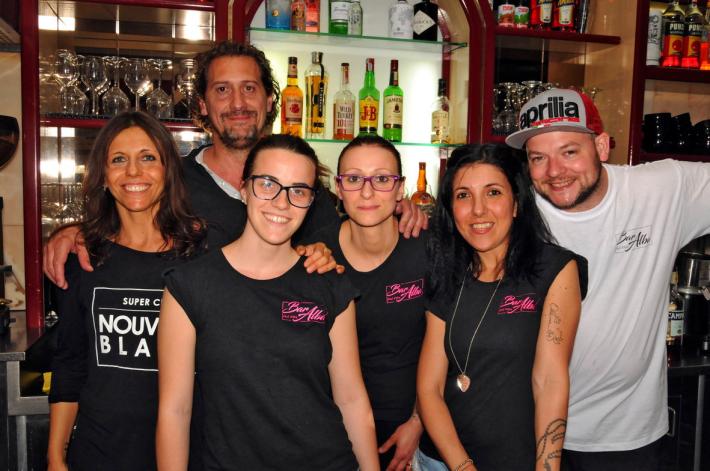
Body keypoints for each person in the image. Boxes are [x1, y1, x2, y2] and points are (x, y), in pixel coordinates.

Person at [43, 41, 427, 288]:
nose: (238, 103)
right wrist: (74, 231)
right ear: (203, 105)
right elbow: (121, 230)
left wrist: (396, 209)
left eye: (249, 88)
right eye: (223, 90)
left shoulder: (305, 186)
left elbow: (347, 241)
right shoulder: (172, 182)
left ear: (269, 101)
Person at [504, 88, 710, 470]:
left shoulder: (662, 189)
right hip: (529, 428)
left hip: (628, 435)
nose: (554, 171)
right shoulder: (514, 212)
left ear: (601, 146)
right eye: (538, 158)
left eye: (569, 152)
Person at [156, 134, 380, 470]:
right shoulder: (190, 287)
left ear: (311, 202)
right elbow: (175, 411)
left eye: (298, 191)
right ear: (244, 189)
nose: (282, 202)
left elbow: (351, 400)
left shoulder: (329, 284)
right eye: (267, 184)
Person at [47, 112, 205, 471]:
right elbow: (70, 363)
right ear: (103, 176)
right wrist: (55, 456)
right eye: (118, 160)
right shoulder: (82, 260)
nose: (133, 172)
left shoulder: (201, 258)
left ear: (168, 170)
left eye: (148, 157)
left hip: (186, 455)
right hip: (99, 454)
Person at [417, 144, 586, 471]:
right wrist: (463, 467)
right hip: (441, 462)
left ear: (516, 203)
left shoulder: (553, 269)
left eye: (493, 192)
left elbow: (550, 380)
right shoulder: (447, 270)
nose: (478, 210)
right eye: (463, 196)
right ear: (450, 208)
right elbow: (429, 387)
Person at [309, 136, 427, 470]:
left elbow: (450, 347)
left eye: (382, 179)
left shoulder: (428, 249)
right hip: (331, 426)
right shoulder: (316, 253)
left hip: (412, 424)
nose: (367, 191)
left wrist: (419, 421)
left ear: (400, 188)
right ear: (338, 188)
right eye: (354, 178)